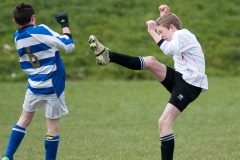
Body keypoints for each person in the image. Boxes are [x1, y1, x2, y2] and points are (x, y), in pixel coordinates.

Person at [88, 4, 208, 160]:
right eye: (159, 33)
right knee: (151, 61)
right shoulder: (179, 35)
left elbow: (168, 49)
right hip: (181, 78)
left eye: (161, 33)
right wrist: (164, 16)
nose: (161, 36)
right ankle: (108, 56)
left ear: (172, 27)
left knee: (164, 123)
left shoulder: (182, 34)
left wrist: (152, 31)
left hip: (189, 85)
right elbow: (170, 34)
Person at [2, 2, 75, 160]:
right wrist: (65, 25)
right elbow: (68, 45)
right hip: (53, 85)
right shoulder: (40, 30)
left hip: (34, 85)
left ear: (15, 21)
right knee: (52, 126)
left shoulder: (17, 36)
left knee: (24, 119)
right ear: (33, 17)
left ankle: (8, 156)